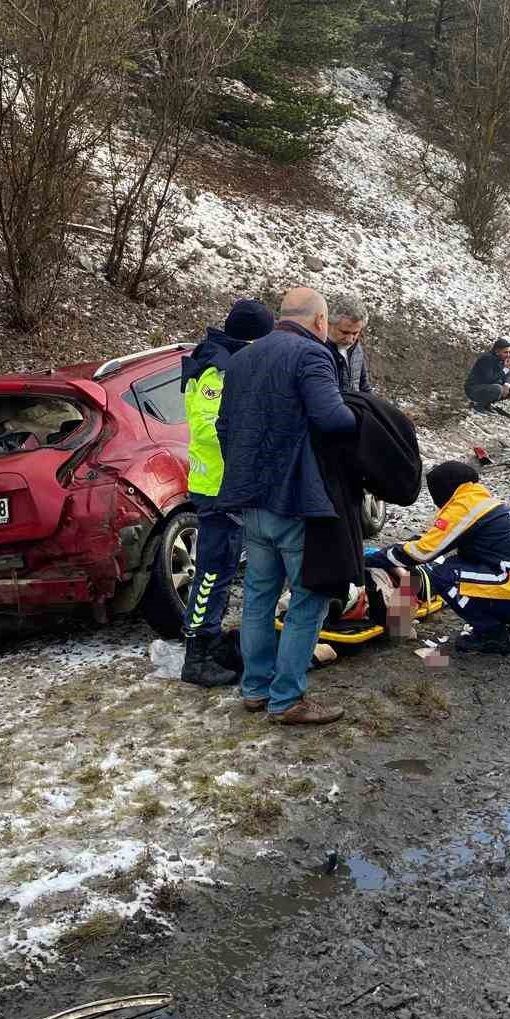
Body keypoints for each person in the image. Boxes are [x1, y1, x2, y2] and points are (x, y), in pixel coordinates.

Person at [216, 286, 356, 725]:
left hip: (251, 500)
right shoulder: (311, 355)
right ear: (319, 322)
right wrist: (364, 415)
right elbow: (333, 418)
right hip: (295, 500)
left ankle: (255, 689)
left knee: (259, 596)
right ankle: (287, 699)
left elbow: (224, 427)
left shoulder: (240, 359)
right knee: (308, 597)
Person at [365, 461, 510, 656]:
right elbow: (438, 539)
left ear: (443, 489)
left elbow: (422, 552)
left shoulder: (464, 507)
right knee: (465, 563)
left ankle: (491, 634)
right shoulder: (485, 503)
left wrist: (375, 558)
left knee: (444, 574)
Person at [177, 298, 275, 688]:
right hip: (218, 487)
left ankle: (212, 644)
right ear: (252, 340)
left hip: (227, 485)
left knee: (222, 569)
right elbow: (207, 426)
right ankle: (197, 656)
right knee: (212, 573)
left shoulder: (225, 361)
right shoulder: (216, 369)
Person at [328, 297, 371, 393]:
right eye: (344, 332)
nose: (350, 340)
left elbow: (364, 386)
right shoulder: (317, 351)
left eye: (355, 333)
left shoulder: (357, 348)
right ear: (329, 324)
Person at [465, 339, 510, 410]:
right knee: (498, 389)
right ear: (497, 351)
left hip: (488, 387)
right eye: (505, 352)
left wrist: (507, 384)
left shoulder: (502, 358)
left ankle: (487, 404)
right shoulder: (487, 359)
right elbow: (489, 379)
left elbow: (507, 375)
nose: (508, 355)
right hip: (474, 389)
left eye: (509, 352)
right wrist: (506, 369)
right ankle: (479, 405)